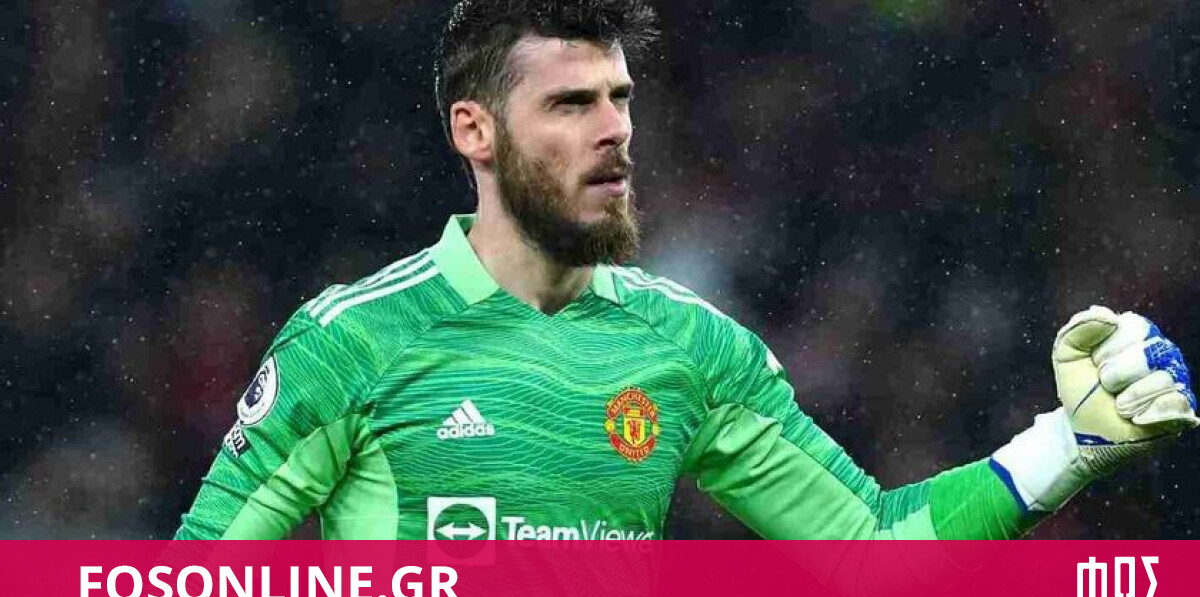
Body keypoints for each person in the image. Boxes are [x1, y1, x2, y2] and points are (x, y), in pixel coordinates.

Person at [175, 0, 1197, 541]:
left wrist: (1071, 443)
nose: (614, 131)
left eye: (620, 100)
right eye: (570, 105)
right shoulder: (352, 342)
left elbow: (872, 554)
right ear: (475, 131)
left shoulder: (692, 347)